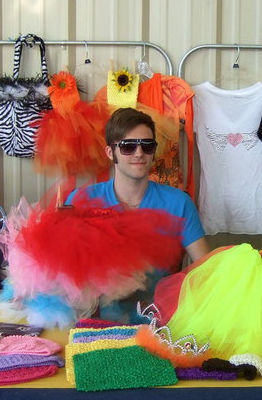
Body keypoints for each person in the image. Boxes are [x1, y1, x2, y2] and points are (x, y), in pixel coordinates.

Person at [65, 108, 209, 321]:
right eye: (128, 147)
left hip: (161, 323)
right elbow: (61, 272)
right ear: (109, 152)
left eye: (147, 145)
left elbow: (207, 269)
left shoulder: (179, 203)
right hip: (95, 323)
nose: (139, 153)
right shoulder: (81, 201)